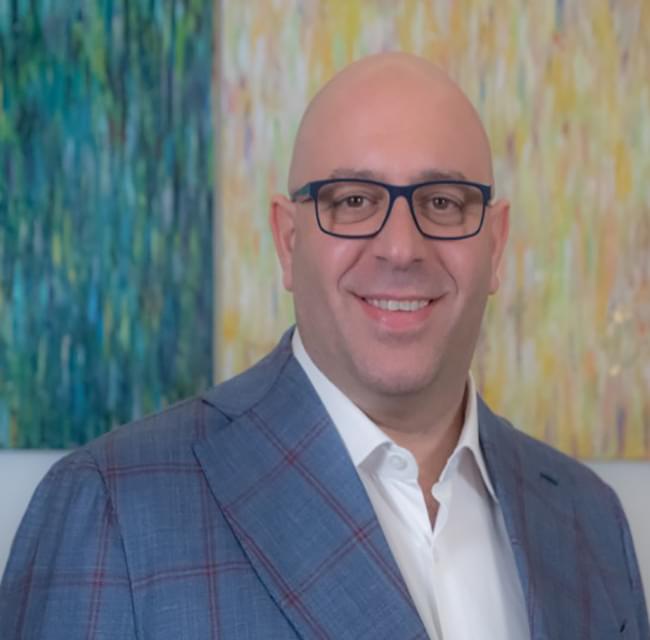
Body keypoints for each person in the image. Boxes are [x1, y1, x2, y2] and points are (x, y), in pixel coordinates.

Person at [1, 52, 647, 640]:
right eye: (354, 201)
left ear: (496, 245)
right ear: (288, 243)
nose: (401, 248)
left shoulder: (588, 521)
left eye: (443, 203)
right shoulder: (113, 507)